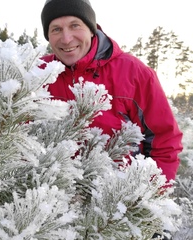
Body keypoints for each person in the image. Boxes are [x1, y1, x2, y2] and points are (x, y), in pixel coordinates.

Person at [41, 0, 183, 239]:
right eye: (56, 29)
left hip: (119, 205)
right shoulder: (39, 73)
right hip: (57, 208)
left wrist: (148, 202)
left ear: (92, 27)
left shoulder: (134, 73)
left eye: (75, 25)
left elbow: (164, 139)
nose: (66, 39)